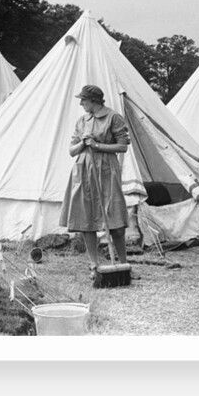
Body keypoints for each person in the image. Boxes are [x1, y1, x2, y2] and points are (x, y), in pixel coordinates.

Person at [59, 84, 130, 280]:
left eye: (84, 100)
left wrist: (97, 145)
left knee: (114, 216)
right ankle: (94, 265)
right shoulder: (82, 121)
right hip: (83, 171)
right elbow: (72, 150)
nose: (81, 103)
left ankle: (123, 263)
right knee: (86, 218)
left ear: (94, 101)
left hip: (106, 170)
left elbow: (123, 146)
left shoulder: (113, 117)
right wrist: (83, 142)